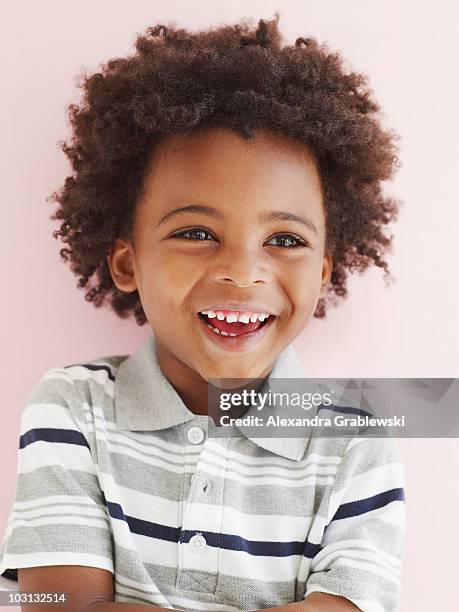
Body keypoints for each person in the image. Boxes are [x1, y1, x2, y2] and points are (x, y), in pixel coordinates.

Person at [0, 13, 406, 612]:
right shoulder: (73, 407)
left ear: (323, 273)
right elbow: (55, 603)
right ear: (127, 263)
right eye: (196, 231)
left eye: (286, 240)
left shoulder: (356, 437)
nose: (243, 271)